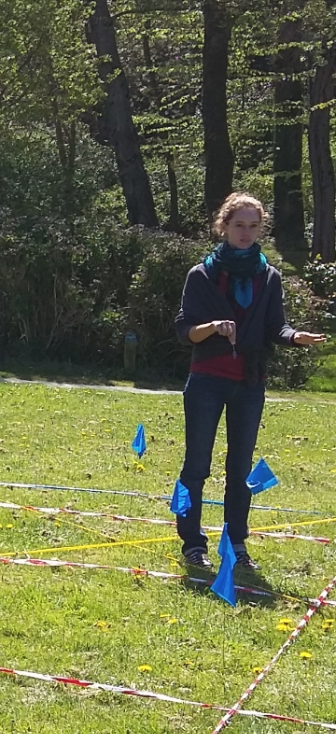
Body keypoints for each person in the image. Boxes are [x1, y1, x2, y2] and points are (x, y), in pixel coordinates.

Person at [173, 192, 326, 571]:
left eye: (253, 226)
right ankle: (192, 543)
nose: (246, 232)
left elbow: (277, 326)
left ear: (261, 229)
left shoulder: (268, 276)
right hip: (207, 380)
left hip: (249, 383)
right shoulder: (203, 274)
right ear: (223, 226)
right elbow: (184, 331)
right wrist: (210, 328)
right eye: (239, 225)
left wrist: (294, 337)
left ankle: (236, 542)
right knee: (196, 466)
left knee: (240, 469)